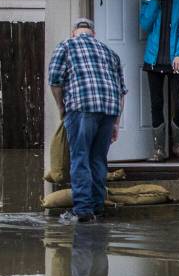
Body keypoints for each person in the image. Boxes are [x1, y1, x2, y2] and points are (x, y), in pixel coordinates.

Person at [48, 18, 127, 223]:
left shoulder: (66, 46)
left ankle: (82, 210)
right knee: (98, 159)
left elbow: (55, 81)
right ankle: (98, 208)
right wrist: (117, 122)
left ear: (74, 31)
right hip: (109, 110)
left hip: (81, 107)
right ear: (93, 33)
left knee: (80, 157)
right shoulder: (110, 52)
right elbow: (121, 91)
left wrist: (61, 107)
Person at [140, 0, 179, 162]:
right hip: (153, 60)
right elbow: (144, 24)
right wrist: (155, 1)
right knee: (156, 104)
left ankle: (177, 145)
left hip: (175, 60)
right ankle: (159, 149)